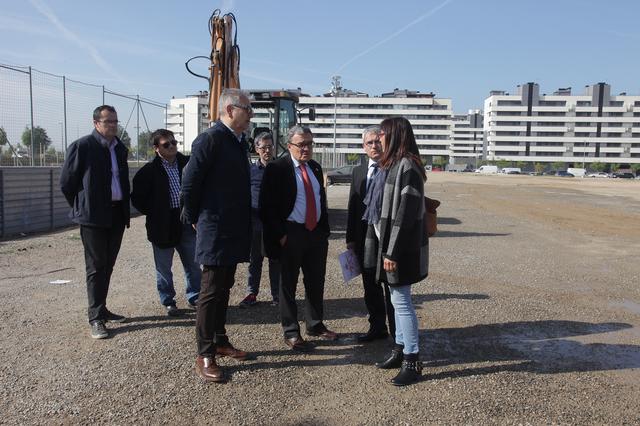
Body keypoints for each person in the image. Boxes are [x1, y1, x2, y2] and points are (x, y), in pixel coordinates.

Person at [181, 88, 253, 383]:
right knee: (210, 290)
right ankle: (205, 353)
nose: (251, 115)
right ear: (230, 110)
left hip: (234, 226)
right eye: (247, 109)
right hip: (214, 226)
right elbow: (190, 182)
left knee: (225, 287)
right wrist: (194, 217)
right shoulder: (210, 139)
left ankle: (220, 340)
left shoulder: (237, 141)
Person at [362, 116, 428, 386]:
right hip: (388, 247)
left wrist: (392, 252)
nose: (379, 138)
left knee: (402, 303)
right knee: (395, 299)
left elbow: (405, 215)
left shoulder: (407, 166)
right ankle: (400, 349)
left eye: (383, 133)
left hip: (399, 250)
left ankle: (412, 360)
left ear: (396, 135)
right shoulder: (391, 165)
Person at [259, 126, 336, 353]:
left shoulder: (315, 167)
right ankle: (291, 331)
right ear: (289, 145)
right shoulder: (277, 168)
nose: (306, 148)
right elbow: (266, 206)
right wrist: (281, 235)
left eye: (310, 144)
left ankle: (315, 324)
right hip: (290, 233)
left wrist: (324, 231)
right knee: (287, 285)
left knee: (316, 281)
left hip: (315, 234)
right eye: (301, 144)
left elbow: (320, 199)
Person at [60, 105, 129, 339]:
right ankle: (96, 318)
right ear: (96, 123)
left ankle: (102, 308)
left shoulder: (119, 148)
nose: (113, 125)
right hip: (93, 217)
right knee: (96, 266)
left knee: (108, 264)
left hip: (116, 215)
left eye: (115, 121)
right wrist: (83, 206)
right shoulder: (83, 147)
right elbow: (67, 183)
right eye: (108, 121)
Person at [131, 129, 201, 317]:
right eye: (166, 144)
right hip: (162, 224)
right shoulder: (148, 172)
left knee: (193, 263)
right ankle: (168, 301)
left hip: (186, 221)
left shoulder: (188, 164)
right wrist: (155, 212)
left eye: (174, 142)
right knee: (163, 268)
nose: (172, 147)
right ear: (156, 148)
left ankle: (195, 296)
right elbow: (137, 198)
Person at [346, 125, 395, 342]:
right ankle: (377, 327)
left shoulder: (393, 168)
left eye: (377, 141)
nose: (374, 146)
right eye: (369, 143)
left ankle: (397, 332)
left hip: (385, 237)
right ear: (363, 146)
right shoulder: (358, 171)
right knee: (370, 285)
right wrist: (350, 238)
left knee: (390, 286)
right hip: (363, 237)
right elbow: (353, 206)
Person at [239, 132, 281, 308]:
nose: (267, 150)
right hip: (255, 223)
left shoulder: (281, 169)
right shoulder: (250, 171)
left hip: (275, 224)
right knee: (255, 260)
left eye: (270, 147)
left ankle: (277, 295)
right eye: (263, 147)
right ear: (256, 149)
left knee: (275, 260)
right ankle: (251, 293)